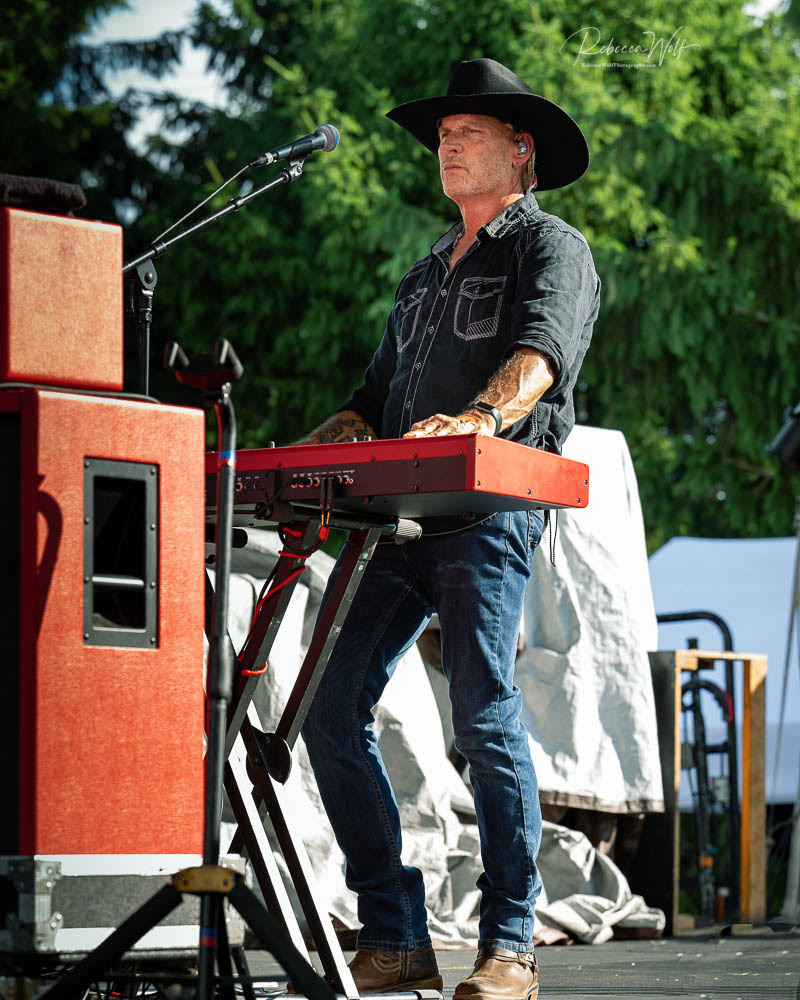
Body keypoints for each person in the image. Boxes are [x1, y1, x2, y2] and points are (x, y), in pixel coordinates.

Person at [298, 58, 600, 1000]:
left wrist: (477, 419)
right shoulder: (423, 275)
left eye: (467, 132)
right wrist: (305, 449)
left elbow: (542, 355)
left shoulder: (552, 247)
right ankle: (393, 934)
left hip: (488, 511)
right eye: (442, 136)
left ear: (522, 150)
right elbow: (370, 401)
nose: (447, 146)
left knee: (481, 712)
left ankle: (511, 945)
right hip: (397, 521)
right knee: (326, 709)